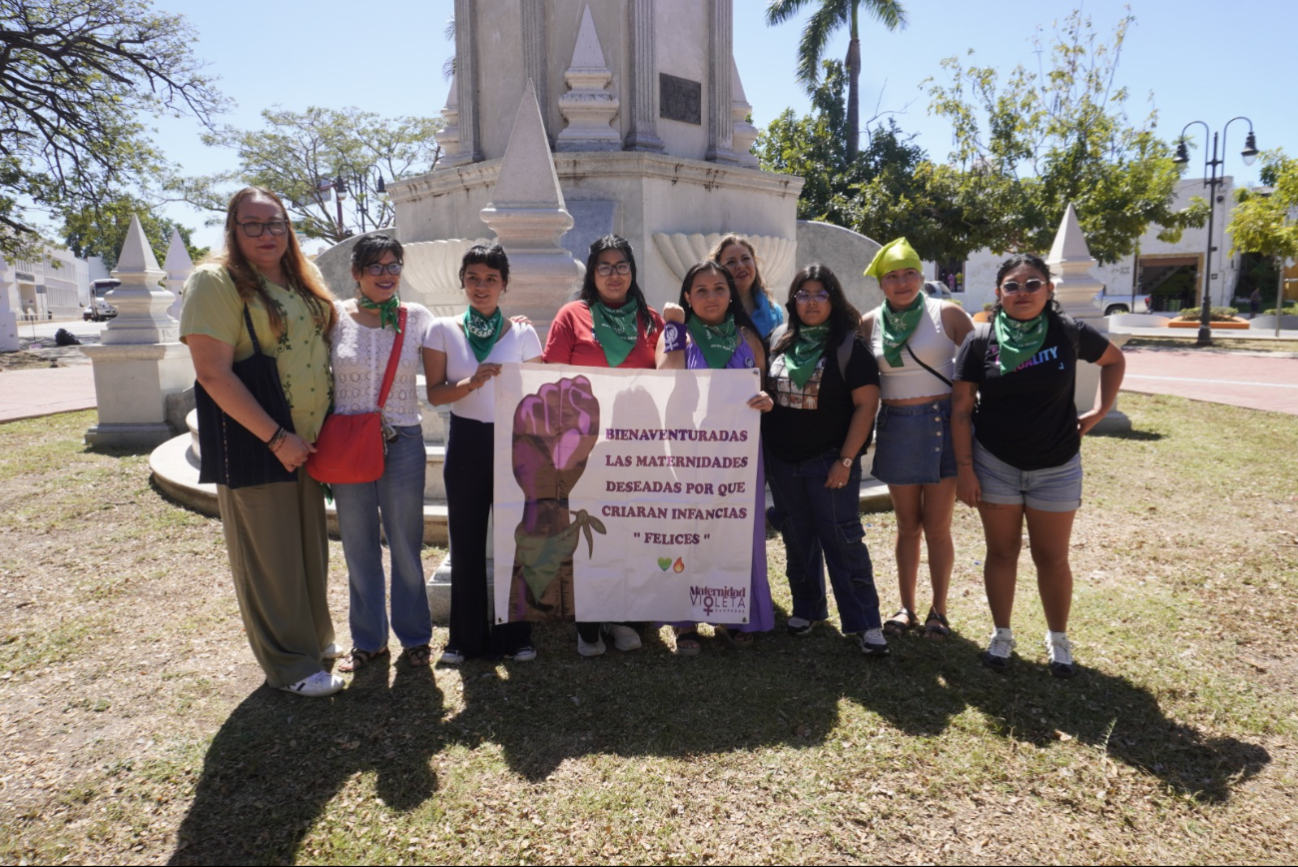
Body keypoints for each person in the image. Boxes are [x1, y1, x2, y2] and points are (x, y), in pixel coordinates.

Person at [180, 187, 342, 697]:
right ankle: (289, 665)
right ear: (233, 229)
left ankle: (314, 642)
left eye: (275, 223)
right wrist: (276, 437)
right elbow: (212, 374)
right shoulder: (216, 281)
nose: (266, 233)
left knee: (308, 548)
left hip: (308, 443)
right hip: (262, 439)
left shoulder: (298, 278)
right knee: (271, 558)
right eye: (252, 224)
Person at [951, 252, 1126, 677]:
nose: (1023, 292)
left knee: (1052, 558)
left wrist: (1100, 412)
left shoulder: (1068, 332)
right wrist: (966, 470)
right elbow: (960, 410)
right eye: (1012, 285)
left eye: (1033, 284)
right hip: (995, 463)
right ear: (999, 294)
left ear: (1049, 290)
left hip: (1057, 464)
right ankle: (1002, 634)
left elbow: (1115, 360)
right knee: (1002, 552)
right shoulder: (979, 341)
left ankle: (1058, 640)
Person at [544, 235, 664, 657]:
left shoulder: (652, 321)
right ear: (592, 274)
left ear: (632, 271)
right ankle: (589, 623)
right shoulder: (571, 316)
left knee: (630, 531)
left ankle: (627, 618)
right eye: (605, 267)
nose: (614, 275)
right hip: (584, 447)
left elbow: (670, 382)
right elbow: (553, 377)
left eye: (622, 266)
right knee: (588, 531)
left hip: (637, 447)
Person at [426, 244, 543, 665]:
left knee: (516, 540)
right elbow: (437, 393)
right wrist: (472, 384)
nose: (481, 286)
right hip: (467, 441)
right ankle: (464, 639)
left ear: (504, 285)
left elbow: (539, 393)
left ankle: (516, 636)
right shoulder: (442, 329)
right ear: (462, 281)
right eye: (473, 277)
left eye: (491, 279)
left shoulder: (524, 333)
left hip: (514, 442)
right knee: (467, 541)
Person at [763, 265, 888, 655]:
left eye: (820, 293)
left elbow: (867, 406)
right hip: (783, 462)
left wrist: (847, 460)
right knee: (798, 540)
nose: (811, 301)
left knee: (843, 540)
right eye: (803, 293)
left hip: (829, 461)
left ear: (833, 299)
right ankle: (808, 609)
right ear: (793, 300)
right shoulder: (780, 340)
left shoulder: (850, 346)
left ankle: (866, 623)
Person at [329, 234, 438, 672]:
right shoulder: (334, 318)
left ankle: (415, 638)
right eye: (375, 267)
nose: (386, 274)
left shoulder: (417, 317)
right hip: (348, 442)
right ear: (356, 274)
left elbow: (456, 351)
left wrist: (512, 327)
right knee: (358, 544)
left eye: (393, 265)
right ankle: (368, 640)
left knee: (405, 544)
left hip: (402, 441)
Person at [656, 260, 776, 654]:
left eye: (719, 288)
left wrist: (766, 400)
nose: (711, 297)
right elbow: (666, 379)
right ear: (688, 297)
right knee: (688, 532)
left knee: (738, 531)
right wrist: (673, 328)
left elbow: (763, 388)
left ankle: (735, 613)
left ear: (731, 294)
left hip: (739, 454)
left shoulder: (748, 337)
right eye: (701, 290)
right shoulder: (676, 336)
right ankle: (685, 621)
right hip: (688, 452)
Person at [861, 238, 974, 639]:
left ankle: (938, 611)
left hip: (941, 422)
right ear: (881, 284)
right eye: (892, 276)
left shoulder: (947, 313)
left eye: (909, 273)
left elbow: (980, 365)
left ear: (921, 276)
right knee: (907, 525)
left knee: (938, 526)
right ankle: (906, 607)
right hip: (896, 424)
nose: (902, 282)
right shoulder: (870, 322)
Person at [711, 234, 784, 340]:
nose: (740, 265)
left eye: (745, 258)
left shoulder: (774, 312)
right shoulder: (711, 309)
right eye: (731, 262)